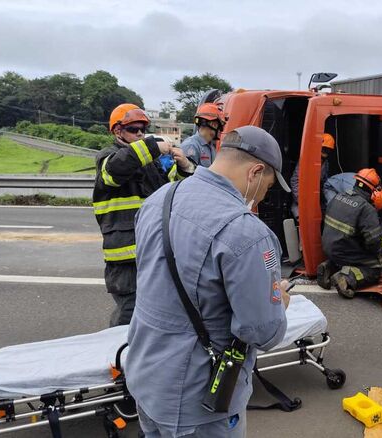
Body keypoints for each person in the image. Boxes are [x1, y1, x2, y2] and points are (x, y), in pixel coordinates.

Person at [126, 125, 291, 438]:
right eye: (267, 188)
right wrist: (278, 302)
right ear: (256, 171)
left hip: (145, 377)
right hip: (195, 401)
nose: (261, 199)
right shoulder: (246, 233)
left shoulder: (160, 198)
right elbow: (263, 332)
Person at [93, 103, 193, 326]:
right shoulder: (108, 157)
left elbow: (183, 193)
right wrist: (153, 146)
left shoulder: (151, 162)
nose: (139, 134)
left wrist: (186, 166)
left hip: (154, 250)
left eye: (142, 130)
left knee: (155, 313)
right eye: (133, 129)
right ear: (117, 131)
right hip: (126, 258)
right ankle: (117, 357)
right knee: (129, 314)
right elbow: (116, 171)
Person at [317, 168, 382, 298]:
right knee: (376, 268)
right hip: (344, 251)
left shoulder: (338, 196)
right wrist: (378, 254)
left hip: (328, 248)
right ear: (374, 190)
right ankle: (346, 277)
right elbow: (373, 242)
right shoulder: (366, 209)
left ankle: (329, 267)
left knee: (349, 250)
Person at [291, 133, 335, 218]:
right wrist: (301, 200)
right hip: (302, 199)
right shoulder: (306, 159)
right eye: (324, 148)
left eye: (328, 149)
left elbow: (325, 182)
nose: (326, 151)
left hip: (316, 199)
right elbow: (295, 180)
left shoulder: (326, 164)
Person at [180, 102, 225, 168]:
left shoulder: (211, 146)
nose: (221, 130)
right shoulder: (191, 146)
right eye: (220, 125)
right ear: (213, 124)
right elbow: (187, 174)